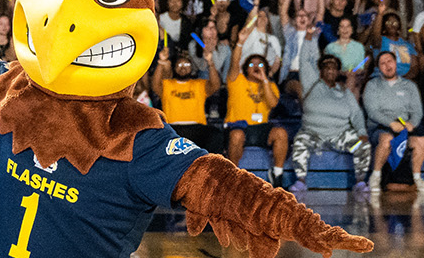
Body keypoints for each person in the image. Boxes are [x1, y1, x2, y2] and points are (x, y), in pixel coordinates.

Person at [289, 54, 371, 193]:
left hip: (340, 134)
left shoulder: (344, 91)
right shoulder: (312, 84)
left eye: (334, 68)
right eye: (327, 68)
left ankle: (360, 182)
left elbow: (356, 113)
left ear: (338, 72)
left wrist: (361, 132)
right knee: (299, 142)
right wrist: (310, 38)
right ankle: (301, 181)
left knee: (362, 144)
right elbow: (304, 59)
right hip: (313, 133)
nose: (330, 71)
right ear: (320, 71)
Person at [362, 51, 424, 192]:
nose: (387, 66)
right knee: (386, 138)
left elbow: (417, 112)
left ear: (396, 63)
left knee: (422, 141)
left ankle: (417, 179)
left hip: (405, 127)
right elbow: (372, 112)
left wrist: (411, 124)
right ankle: (375, 177)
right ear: (379, 68)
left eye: (390, 61)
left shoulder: (409, 86)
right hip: (381, 126)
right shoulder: (372, 85)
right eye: (383, 63)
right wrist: (391, 123)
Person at [225, 51, 289, 186]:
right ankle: (233, 175)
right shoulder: (237, 80)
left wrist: (265, 80)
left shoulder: (270, 85)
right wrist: (240, 44)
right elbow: (234, 63)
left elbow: (273, 104)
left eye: (259, 64)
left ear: (265, 68)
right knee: (236, 135)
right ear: (245, 68)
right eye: (251, 64)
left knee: (281, 133)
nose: (255, 66)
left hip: (261, 128)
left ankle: (277, 174)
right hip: (240, 125)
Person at [152, 46, 222, 153]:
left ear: (192, 68)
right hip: (173, 128)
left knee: (215, 135)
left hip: (197, 127)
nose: (183, 67)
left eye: (187, 65)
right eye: (179, 65)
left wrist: (210, 63)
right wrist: (161, 61)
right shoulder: (167, 84)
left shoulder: (199, 84)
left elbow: (216, 85)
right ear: (174, 68)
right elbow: (155, 85)